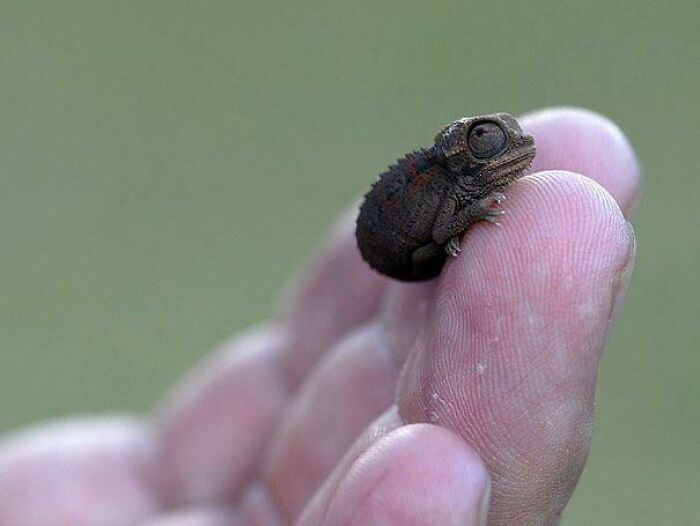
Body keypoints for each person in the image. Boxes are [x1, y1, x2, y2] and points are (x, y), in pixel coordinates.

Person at [0, 107, 640, 526]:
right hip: (394, 244)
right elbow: (439, 222)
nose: (511, 152)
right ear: (461, 154)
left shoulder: (454, 181)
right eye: (488, 142)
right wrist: (463, 224)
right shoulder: (446, 185)